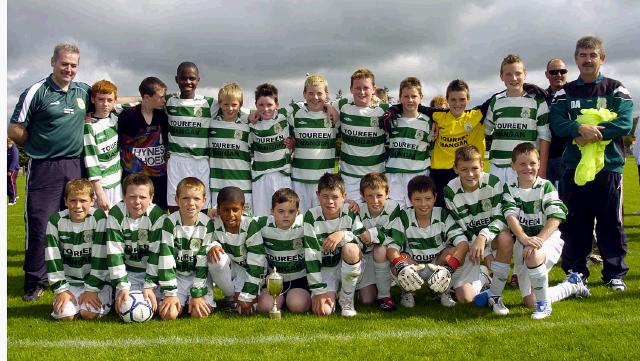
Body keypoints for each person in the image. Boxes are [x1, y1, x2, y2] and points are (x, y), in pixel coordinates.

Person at [550, 35, 633, 291]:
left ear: (602, 58)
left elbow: (624, 122)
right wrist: (577, 127)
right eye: (583, 55)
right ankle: (576, 271)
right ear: (576, 59)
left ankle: (614, 273)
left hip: (609, 166)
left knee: (611, 221)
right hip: (574, 167)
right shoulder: (565, 93)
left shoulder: (616, 88)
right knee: (575, 221)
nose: (588, 60)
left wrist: (592, 131)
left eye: (592, 55)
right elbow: (557, 123)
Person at [9, 43, 90, 301]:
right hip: (44, 167)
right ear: (52, 62)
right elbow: (14, 129)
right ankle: (35, 280)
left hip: (76, 166)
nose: (69, 69)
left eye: (74, 65)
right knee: (40, 223)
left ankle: (71, 272)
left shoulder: (84, 91)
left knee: (77, 221)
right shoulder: (36, 91)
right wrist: (36, 145)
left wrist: (145, 99)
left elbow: (108, 100)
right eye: (64, 63)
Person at [502, 142, 591, 319]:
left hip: (547, 239)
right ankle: (572, 285)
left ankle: (544, 307)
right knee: (529, 301)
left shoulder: (546, 187)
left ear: (539, 163)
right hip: (524, 241)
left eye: (533, 163)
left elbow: (555, 217)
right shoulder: (509, 188)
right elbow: (510, 216)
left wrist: (538, 240)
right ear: (513, 165)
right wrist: (524, 238)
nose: (528, 168)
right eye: (522, 164)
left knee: (534, 255)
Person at [386, 175, 475, 308]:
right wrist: (401, 267)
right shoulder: (404, 217)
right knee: (397, 261)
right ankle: (408, 291)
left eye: (428, 199)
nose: (423, 204)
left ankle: (443, 290)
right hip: (414, 266)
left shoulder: (443, 214)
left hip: (437, 266)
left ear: (434, 197)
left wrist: (449, 268)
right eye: (417, 199)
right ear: (410, 200)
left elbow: (462, 244)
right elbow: (392, 250)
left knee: (456, 252)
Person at [443, 145, 512, 315]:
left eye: (474, 168)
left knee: (505, 238)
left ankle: (495, 295)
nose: (470, 174)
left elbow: (500, 218)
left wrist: (484, 239)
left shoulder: (493, 183)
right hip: (469, 242)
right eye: (464, 169)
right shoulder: (450, 190)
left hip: (490, 237)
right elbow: (462, 226)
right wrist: (484, 250)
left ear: (482, 165)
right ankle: (484, 276)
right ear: (455, 169)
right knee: (464, 297)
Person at [44, 178, 112, 320]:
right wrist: (62, 290)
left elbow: (101, 257)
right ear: (65, 201)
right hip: (70, 283)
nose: (78, 206)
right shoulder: (55, 221)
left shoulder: (98, 218)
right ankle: (71, 301)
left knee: (88, 313)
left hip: (97, 283)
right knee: (65, 316)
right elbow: (52, 258)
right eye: (73, 200)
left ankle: (104, 296)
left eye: (83, 201)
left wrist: (92, 290)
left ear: (92, 200)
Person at [303, 173, 368, 317]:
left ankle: (347, 299)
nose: (330, 202)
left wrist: (342, 234)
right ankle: (338, 292)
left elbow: (363, 243)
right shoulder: (311, 216)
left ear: (344, 196)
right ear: (317, 195)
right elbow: (311, 256)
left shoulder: (349, 212)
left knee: (351, 249)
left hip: (347, 264)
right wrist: (318, 291)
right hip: (326, 269)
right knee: (324, 311)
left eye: (335, 197)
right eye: (325, 196)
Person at [150, 177, 215, 320]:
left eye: (196, 199)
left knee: (199, 314)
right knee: (169, 314)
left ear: (204, 200)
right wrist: (170, 293)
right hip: (176, 277)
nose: (191, 203)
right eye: (185, 198)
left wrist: (197, 293)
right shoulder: (169, 222)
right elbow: (166, 259)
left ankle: (191, 300)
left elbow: (203, 262)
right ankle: (180, 300)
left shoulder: (207, 224)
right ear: (177, 199)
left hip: (196, 277)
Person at [485, 54, 551, 184]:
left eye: (518, 73)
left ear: (525, 74)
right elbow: (485, 131)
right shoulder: (496, 101)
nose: (513, 78)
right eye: (508, 74)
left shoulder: (537, 101)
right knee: (498, 204)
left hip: (526, 167)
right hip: (498, 167)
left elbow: (545, 137)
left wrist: (541, 169)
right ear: (501, 77)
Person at [107, 173, 166, 317]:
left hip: (152, 273)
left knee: (162, 311)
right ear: (124, 196)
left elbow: (156, 253)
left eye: (143, 197)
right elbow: (114, 253)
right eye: (132, 197)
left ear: (151, 198)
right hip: (129, 273)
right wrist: (122, 286)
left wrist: (150, 285)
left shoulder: (158, 215)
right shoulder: (115, 214)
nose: (137, 202)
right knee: (125, 307)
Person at [166, 62, 217, 211]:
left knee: (201, 206)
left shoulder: (208, 103)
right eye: (183, 78)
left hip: (200, 162)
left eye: (192, 78)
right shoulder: (169, 101)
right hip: (177, 160)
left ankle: (199, 234)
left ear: (198, 80)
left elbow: (233, 106)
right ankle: (177, 233)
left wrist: (254, 114)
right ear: (176, 80)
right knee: (175, 204)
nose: (188, 82)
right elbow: (145, 99)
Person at [332, 68, 389, 202]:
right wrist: (328, 107)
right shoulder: (342, 106)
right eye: (357, 88)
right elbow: (320, 104)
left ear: (373, 89)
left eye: (366, 88)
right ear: (351, 89)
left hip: (376, 177)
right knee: (351, 217)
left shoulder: (384, 110)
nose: (362, 92)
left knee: (375, 218)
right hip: (349, 177)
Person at [207, 186, 265, 315]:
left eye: (235, 209)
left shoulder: (250, 225)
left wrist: (248, 294)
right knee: (215, 258)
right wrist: (213, 245)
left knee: (246, 309)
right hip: (232, 268)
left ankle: (240, 298)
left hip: (250, 270)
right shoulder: (213, 223)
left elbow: (257, 264)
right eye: (226, 210)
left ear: (243, 209)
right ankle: (231, 297)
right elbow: (205, 242)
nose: (231, 214)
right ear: (218, 209)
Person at [255, 188, 311, 314]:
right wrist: (214, 212)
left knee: (297, 305)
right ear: (272, 212)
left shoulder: (305, 223)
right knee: (265, 307)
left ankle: (296, 297)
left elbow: (326, 217)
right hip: (273, 280)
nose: (286, 215)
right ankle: (278, 299)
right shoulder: (262, 224)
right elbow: (241, 219)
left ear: (298, 212)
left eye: (291, 211)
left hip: (299, 280)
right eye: (281, 211)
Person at [289, 74, 338, 214]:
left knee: (322, 219)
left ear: (326, 94)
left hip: (324, 181)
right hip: (299, 179)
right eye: (311, 93)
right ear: (304, 94)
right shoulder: (295, 114)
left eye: (319, 93)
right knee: (300, 220)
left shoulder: (333, 116)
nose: (315, 97)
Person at [355, 173, 401, 311]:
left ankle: (384, 296)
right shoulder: (357, 210)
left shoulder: (393, 207)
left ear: (387, 193)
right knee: (367, 300)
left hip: (384, 257)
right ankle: (366, 285)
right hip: (366, 257)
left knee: (380, 249)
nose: (375, 201)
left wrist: (372, 234)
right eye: (370, 196)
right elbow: (358, 236)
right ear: (362, 195)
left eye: (379, 195)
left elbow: (392, 235)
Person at [385, 77, 433, 207]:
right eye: (406, 96)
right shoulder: (391, 119)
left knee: (417, 212)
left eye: (414, 96)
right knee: (395, 213)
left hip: (418, 174)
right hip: (394, 176)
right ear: (400, 97)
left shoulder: (429, 122)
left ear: (421, 97)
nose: (410, 100)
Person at [249, 84, 292, 216]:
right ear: (255, 105)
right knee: (261, 217)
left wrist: (329, 106)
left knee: (285, 215)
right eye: (261, 105)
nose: (265, 108)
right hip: (260, 178)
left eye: (269, 104)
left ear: (277, 104)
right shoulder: (251, 122)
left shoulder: (284, 116)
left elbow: (306, 104)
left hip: (281, 175)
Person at [209, 83, 252, 213]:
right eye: (225, 104)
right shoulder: (211, 124)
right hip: (218, 186)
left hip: (242, 185)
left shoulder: (248, 126)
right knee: (218, 224)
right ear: (220, 104)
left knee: (244, 223)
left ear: (240, 105)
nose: (230, 109)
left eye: (234, 105)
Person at [83, 80, 122, 211]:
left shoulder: (115, 117)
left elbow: (144, 101)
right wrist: (99, 193)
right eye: (101, 99)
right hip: (101, 187)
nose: (105, 104)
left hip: (118, 184)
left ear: (115, 101)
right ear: (93, 100)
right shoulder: (89, 126)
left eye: (109, 100)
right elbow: (91, 161)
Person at [544, 58, 570, 192]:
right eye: (554, 72)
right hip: (546, 158)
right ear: (546, 74)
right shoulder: (541, 98)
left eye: (562, 71)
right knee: (549, 201)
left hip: (570, 157)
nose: (558, 75)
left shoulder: (575, 94)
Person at [7, 138, 19, 205]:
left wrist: (10, 170)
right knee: (11, 184)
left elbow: (15, 160)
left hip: (13, 170)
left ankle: (12, 200)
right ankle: (15, 196)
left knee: (11, 184)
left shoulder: (14, 149)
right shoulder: (8, 149)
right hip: (8, 170)